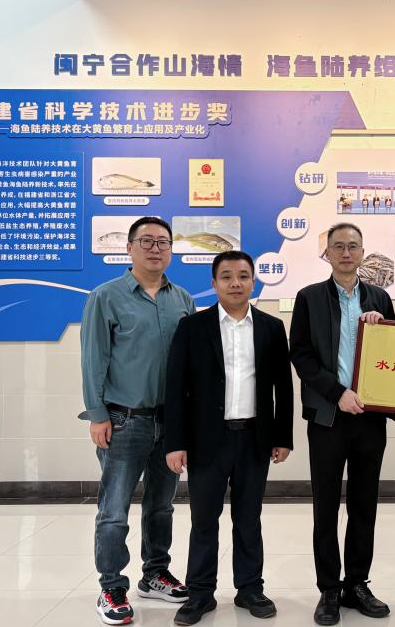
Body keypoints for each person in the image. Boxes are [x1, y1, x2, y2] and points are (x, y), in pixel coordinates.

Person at [164, 251, 294, 624]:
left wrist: (282, 436)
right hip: (207, 440)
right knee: (204, 519)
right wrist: (176, 442)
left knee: (249, 518)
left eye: (243, 276)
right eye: (226, 276)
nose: (235, 283)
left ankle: (250, 588)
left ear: (253, 280)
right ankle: (200, 593)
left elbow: (283, 387)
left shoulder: (271, 327)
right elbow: (175, 388)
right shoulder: (192, 327)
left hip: (254, 438)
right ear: (214, 283)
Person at [80, 216, 195, 625]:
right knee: (114, 510)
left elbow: (190, 363)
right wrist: (97, 415)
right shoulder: (106, 297)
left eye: (163, 242)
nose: (155, 248)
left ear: (171, 250)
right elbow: (93, 359)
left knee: (161, 506)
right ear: (129, 248)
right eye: (146, 241)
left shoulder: (182, 298)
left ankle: (155, 574)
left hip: (171, 422)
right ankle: (111, 586)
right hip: (123, 420)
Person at [290, 223, 395, 625]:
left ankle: (357, 584)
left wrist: (383, 327)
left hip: (370, 417)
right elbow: (300, 355)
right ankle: (329, 589)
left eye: (353, 246)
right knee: (326, 506)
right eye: (339, 247)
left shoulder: (380, 297)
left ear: (363, 252)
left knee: (364, 504)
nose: (346, 253)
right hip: (328, 417)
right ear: (328, 254)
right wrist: (337, 393)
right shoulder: (309, 298)